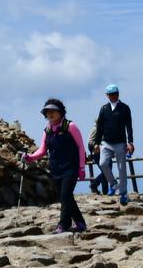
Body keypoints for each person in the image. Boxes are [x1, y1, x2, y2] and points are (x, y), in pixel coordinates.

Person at [23, 98, 87, 233]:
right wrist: (30, 157)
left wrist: (81, 168)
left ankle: (63, 225)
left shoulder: (71, 126)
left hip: (71, 167)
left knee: (65, 196)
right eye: (47, 112)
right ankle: (80, 223)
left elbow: (81, 147)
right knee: (67, 196)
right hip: (55, 169)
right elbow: (42, 150)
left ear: (61, 112)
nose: (50, 114)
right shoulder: (47, 130)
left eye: (53, 111)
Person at [95, 84, 135, 204]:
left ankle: (123, 193)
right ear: (107, 95)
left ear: (118, 94)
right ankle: (113, 183)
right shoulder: (104, 109)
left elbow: (129, 126)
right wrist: (97, 143)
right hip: (106, 142)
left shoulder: (124, 108)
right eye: (111, 94)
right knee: (102, 163)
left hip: (120, 142)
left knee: (122, 168)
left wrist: (130, 142)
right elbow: (99, 127)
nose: (113, 96)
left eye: (115, 93)